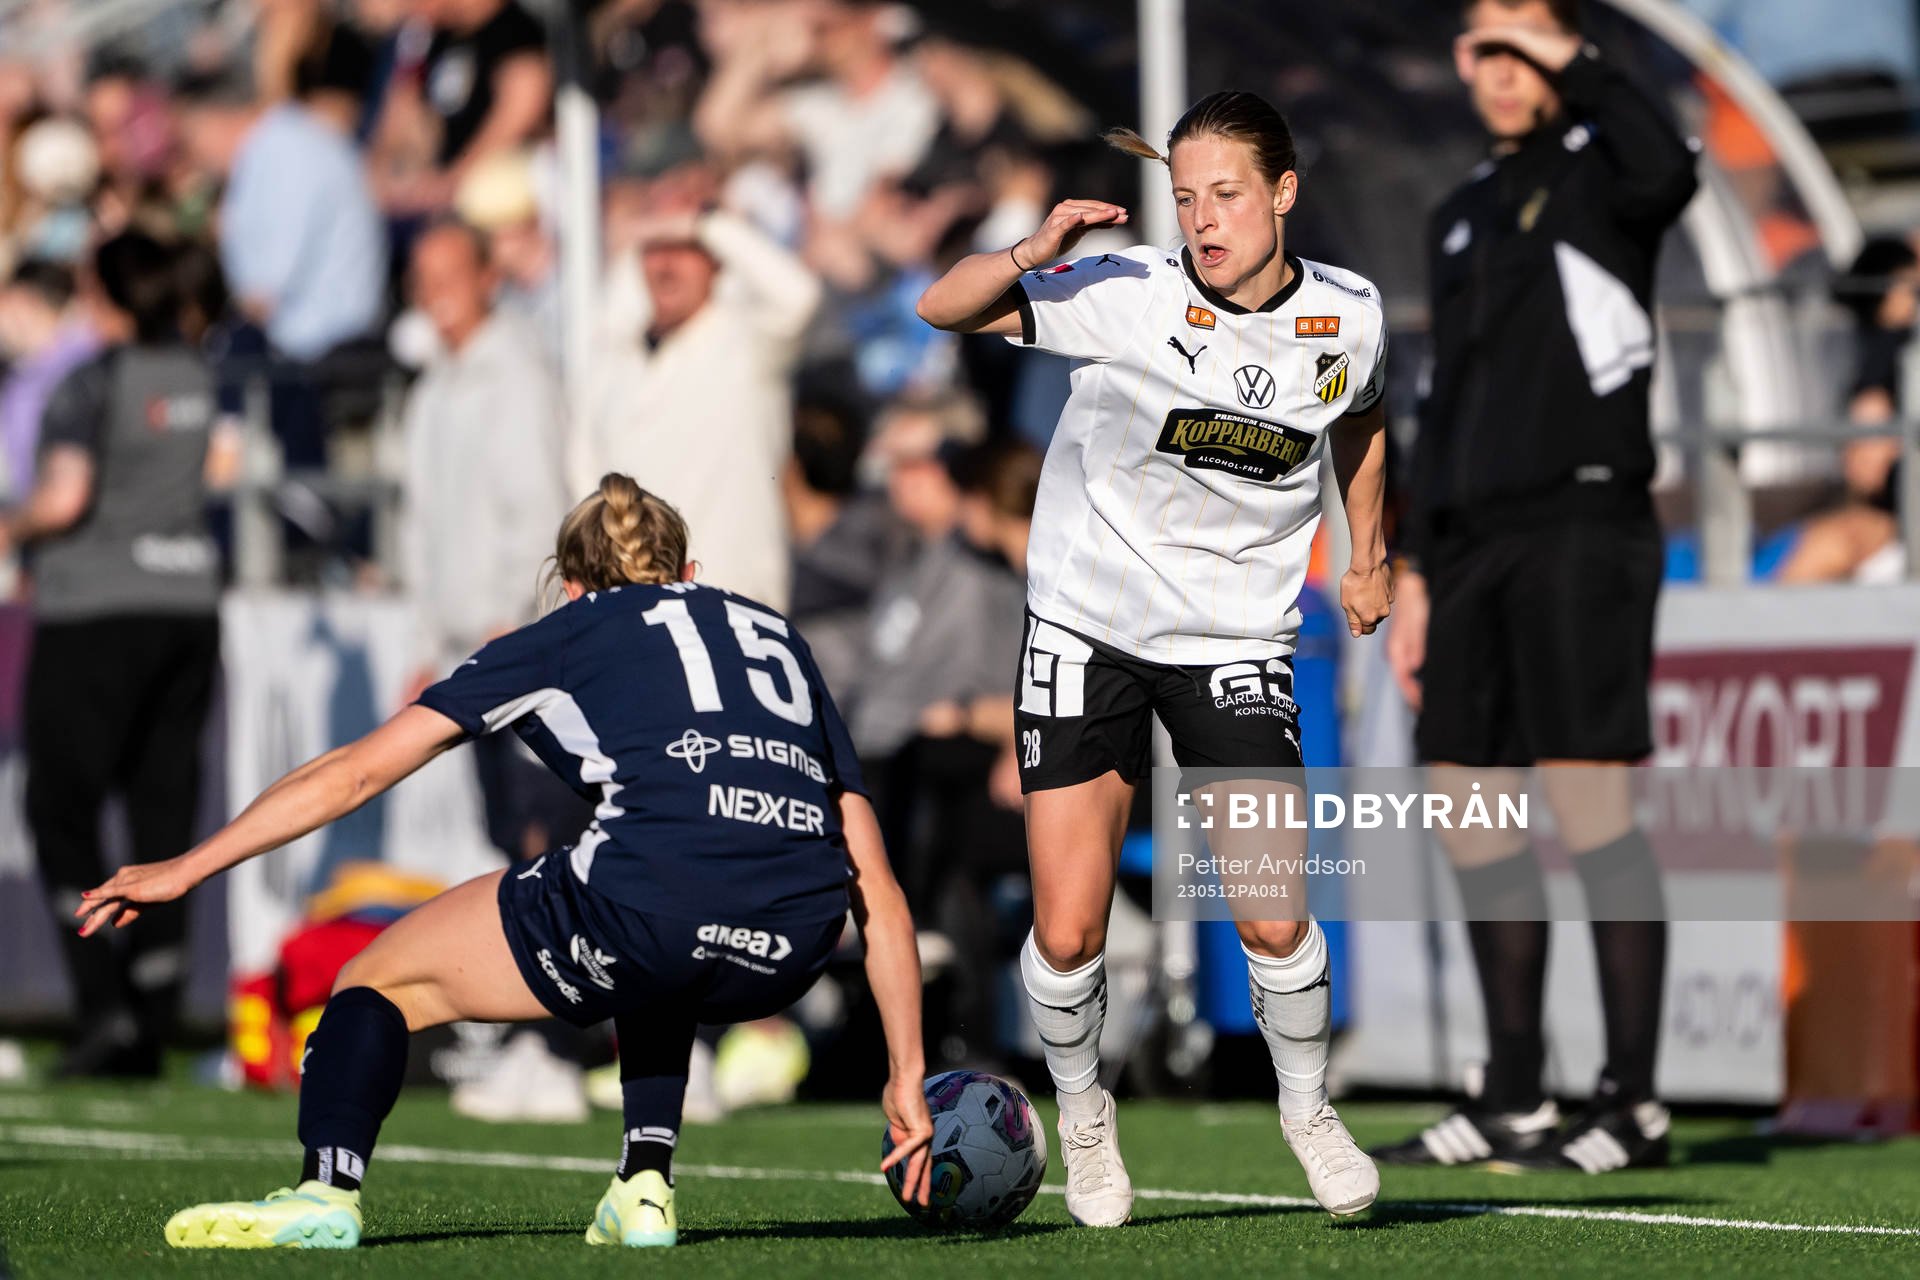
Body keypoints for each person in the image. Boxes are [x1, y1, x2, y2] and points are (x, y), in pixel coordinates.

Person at [76, 473, 935, 1250]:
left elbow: (357, 772)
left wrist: (189, 866)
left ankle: (324, 1194)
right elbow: (882, 895)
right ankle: (643, 1187)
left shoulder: (568, 631)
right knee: (656, 925)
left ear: (569, 587)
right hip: (793, 946)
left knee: (373, 981)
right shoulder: (777, 636)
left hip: (654, 910)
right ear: (690, 570)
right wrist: (906, 1073)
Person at [917, 90, 1393, 1222]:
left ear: (1283, 192)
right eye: (1185, 198)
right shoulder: (1127, 290)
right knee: (1071, 925)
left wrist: (1369, 549)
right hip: (1087, 619)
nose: (1203, 219)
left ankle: (1308, 1107)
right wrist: (1027, 254)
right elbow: (946, 306)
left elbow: (1365, 416)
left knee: (1274, 911)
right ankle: (1084, 1118)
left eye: (1225, 193)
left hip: (1233, 631)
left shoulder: (1350, 314)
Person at [1375, 0, 1698, 1174]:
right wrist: (1410, 566)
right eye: (1483, 46)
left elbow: (1669, 170)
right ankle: (1513, 1092)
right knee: (1471, 810)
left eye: (1525, 43)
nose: (1501, 70)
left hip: (1583, 521)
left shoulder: (1612, 164)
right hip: (1467, 545)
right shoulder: (1459, 207)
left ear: (1566, 51)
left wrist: (1573, 54)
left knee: (1590, 806)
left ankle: (1635, 1102)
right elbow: (1443, 399)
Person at [1, 232, 221, 1078]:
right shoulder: (199, 375)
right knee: (162, 812)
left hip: (95, 609)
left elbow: (66, 496)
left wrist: (10, 526)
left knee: (60, 809)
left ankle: (105, 1007)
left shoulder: (94, 379)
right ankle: (157, 1003)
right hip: (189, 607)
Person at [574, 181, 821, 611]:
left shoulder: (747, 341)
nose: (666, 265)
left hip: (733, 604)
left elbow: (800, 296)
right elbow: (582, 473)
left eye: (685, 246)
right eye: (654, 247)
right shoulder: (615, 357)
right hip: (630, 609)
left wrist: (711, 224)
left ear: (717, 260)